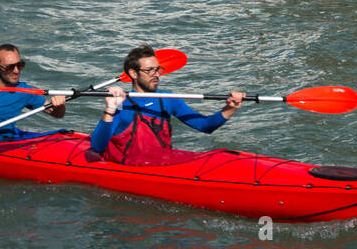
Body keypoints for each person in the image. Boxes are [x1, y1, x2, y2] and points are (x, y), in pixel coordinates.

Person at [91, 45, 244, 164]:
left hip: (161, 163)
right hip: (130, 167)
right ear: (133, 74)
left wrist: (230, 107)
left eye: (158, 69)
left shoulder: (168, 99)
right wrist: (110, 108)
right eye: (150, 70)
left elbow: (205, 126)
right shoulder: (121, 103)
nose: (157, 74)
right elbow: (97, 147)